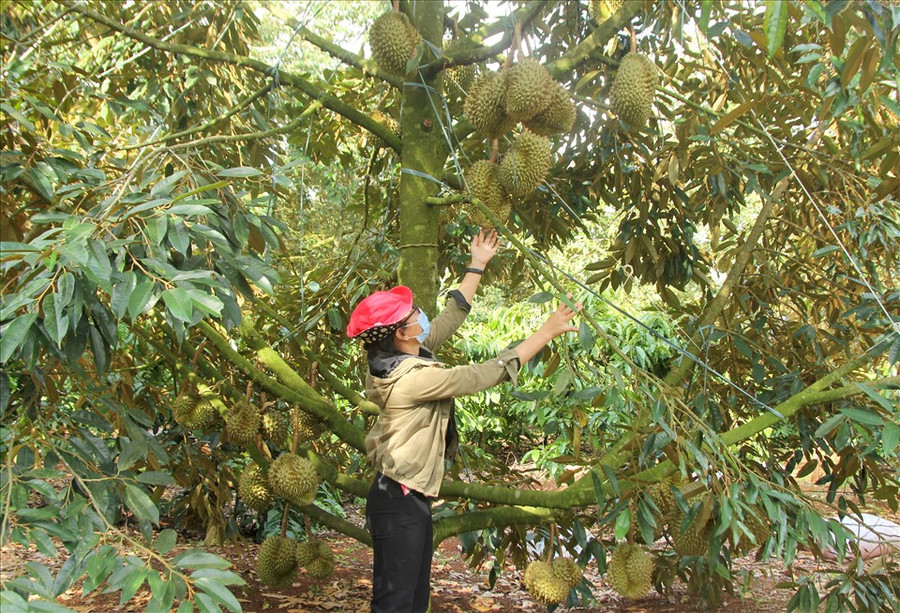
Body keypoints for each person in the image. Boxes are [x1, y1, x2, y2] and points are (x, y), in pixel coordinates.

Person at [346, 229, 582, 613]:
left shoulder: (407, 353)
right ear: (401, 333)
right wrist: (546, 332)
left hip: (409, 496)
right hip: (399, 499)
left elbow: (451, 315)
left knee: (414, 600)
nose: (422, 315)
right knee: (394, 604)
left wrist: (478, 263)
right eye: (413, 315)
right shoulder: (413, 378)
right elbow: (481, 375)